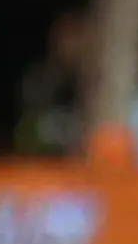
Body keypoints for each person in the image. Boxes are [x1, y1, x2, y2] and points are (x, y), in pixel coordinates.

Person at [16, 8, 94, 158]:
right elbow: (28, 135)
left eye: (77, 37)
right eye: (65, 38)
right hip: (43, 169)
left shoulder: (97, 84)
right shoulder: (39, 82)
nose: (71, 46)